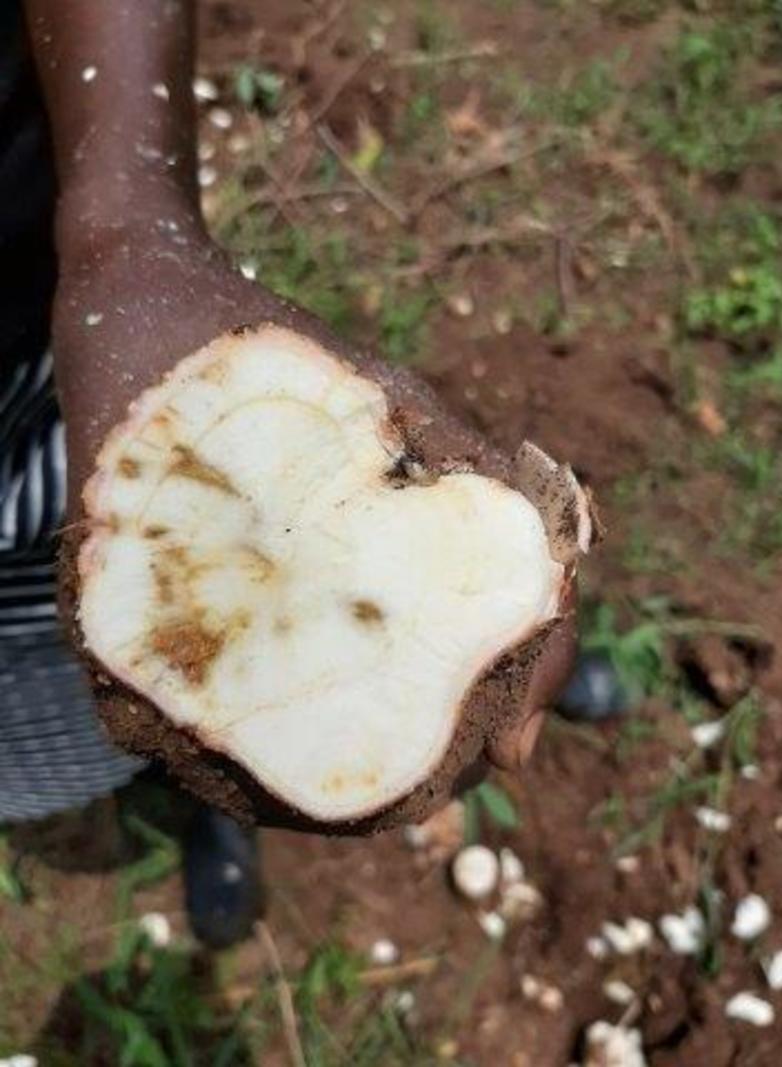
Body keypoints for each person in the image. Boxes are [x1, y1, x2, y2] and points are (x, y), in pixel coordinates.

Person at [1, 0, 580, 945]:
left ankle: (209, 786)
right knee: (76, 722)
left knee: (127, 638)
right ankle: (190, 783)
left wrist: (126, 231)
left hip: (39, 299)